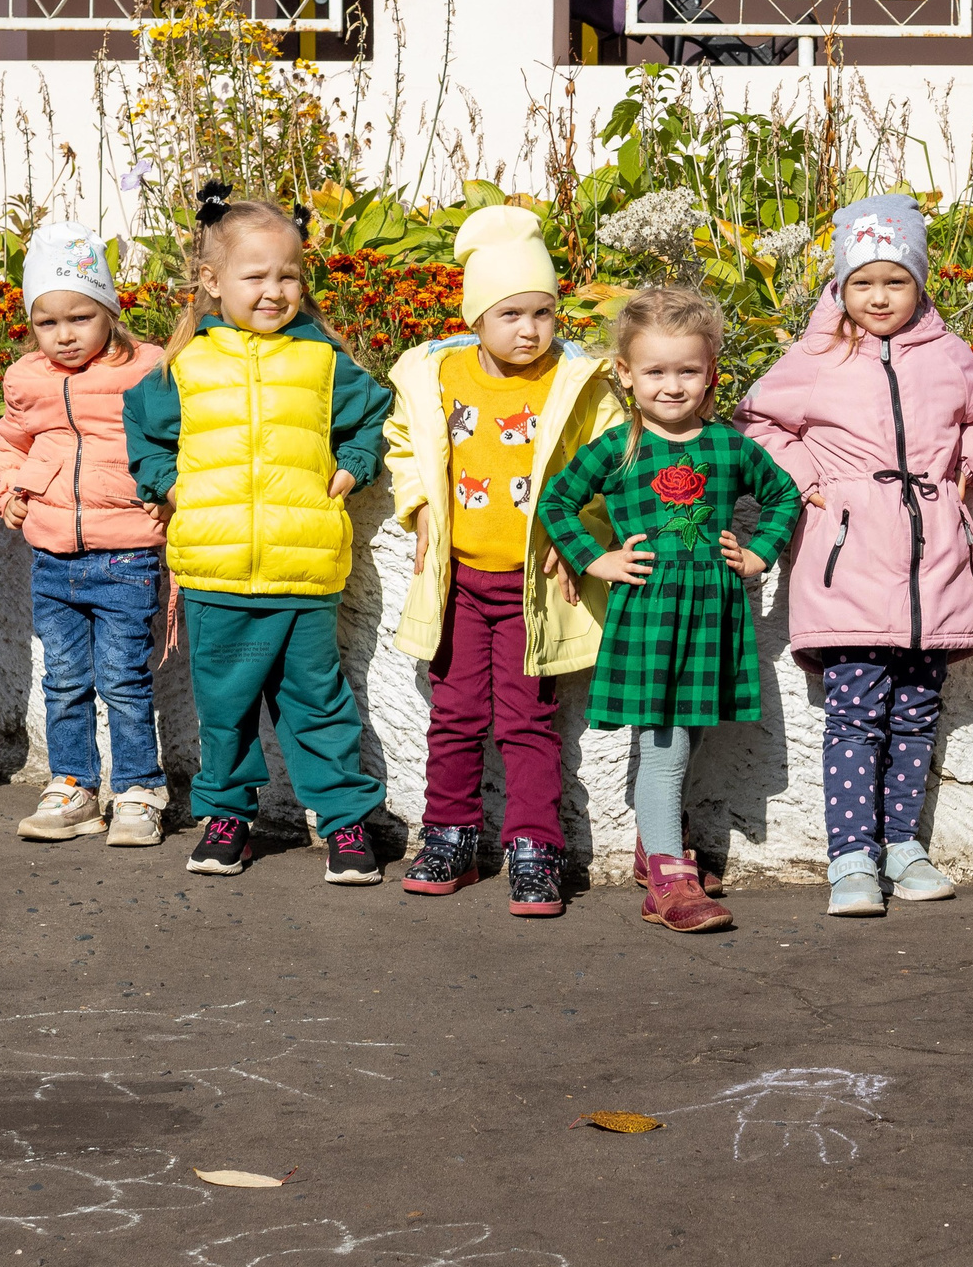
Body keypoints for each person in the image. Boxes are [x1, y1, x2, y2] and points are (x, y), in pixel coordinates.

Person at [737, 195, 973, 917]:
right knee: (856, 714)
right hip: (850, 566)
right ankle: (852, 857)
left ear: (920, 283)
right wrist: (807, 483)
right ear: (840, 286)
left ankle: (904, 845)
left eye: (896, 280)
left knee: (918, 710)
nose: (880, 296)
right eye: (863, 282)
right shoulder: (816, 356)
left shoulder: (949, 354)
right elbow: (758, 422)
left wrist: (972, 466)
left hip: (936, 568)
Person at [122, 189, 394, 882]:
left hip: (304, 576)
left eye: (289, 274)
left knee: (318, 706)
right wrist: (168, 484)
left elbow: (372, 415)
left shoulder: (323, 363)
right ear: (212, 282)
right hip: (214, 573)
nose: (275, 290)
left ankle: (345, 825)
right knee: (226, 709)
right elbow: (144, 433)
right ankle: (227, 819)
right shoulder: (185, 366)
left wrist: (351, 470)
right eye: (256, 276)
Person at [536, 286, 802, 934]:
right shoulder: (618, 448)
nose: (673, 386)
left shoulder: (729, 447)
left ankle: (653, 847)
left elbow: (785, 498)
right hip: (651, 617)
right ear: (626, 374)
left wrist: (760, 550)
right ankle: (667, 879)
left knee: (693, 733)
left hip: (714, 616)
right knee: (665, 747)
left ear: (712, 370)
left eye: (688, 370)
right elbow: (555, 504)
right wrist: (596, 559)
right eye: (655, 371)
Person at [382, 205, 625, 916]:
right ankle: (451, 834)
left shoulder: (576, 385)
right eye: (511, 313)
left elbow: (607, 467)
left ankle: (534, 846)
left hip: (532, 588)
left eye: (544, 313)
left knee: (527, 721)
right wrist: (420, 505)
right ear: (477, 316)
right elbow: (406, 446)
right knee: (453, 716)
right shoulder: (437, 375)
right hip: (457, 582)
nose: (530, 330)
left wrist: (576, 536)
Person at [0, 222, 171, 848]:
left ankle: (139, 790)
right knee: (64, 678)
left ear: (110, 311)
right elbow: (9, 443)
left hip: (125, 553)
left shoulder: (147, 369)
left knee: (124, 677)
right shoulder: (27, 379)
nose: (64, 336)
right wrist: (10, 491)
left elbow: (179, 438)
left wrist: (167, 496)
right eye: (48, 322)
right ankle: (72, 784)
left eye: (80, 317)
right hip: (51, 556)